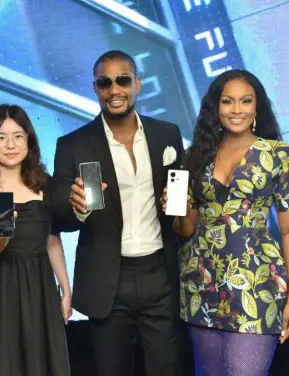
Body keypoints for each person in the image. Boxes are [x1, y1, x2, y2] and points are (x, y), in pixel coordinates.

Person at [53, 50, 185, 376]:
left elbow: (179, 199)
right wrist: (76, 208)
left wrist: (178, 203)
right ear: (95, 89)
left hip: (160, 273)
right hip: (107, 281)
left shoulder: (167, 134)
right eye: (105, 83)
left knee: (167, 369)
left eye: (123, 80)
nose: (114, 90)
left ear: (137, 84)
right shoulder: (72, 144)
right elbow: (59, 218)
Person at [170, 70, 289, 375]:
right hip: (200, 284)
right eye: (228, 101)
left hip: (257, 283)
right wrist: (180, 207)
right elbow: (184, 230)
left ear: (257, 107)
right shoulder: (193, 157)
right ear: (215, 107)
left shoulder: (278, 155)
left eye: (246, 101)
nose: (237, 109)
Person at [0, 104, 71, 375]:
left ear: (28, 140)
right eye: (1, 137)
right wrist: (3, 236)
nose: (11, 145)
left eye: (18, 136)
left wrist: (65, 289)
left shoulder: (45, 183)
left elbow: (51, 239)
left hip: (40, 289)